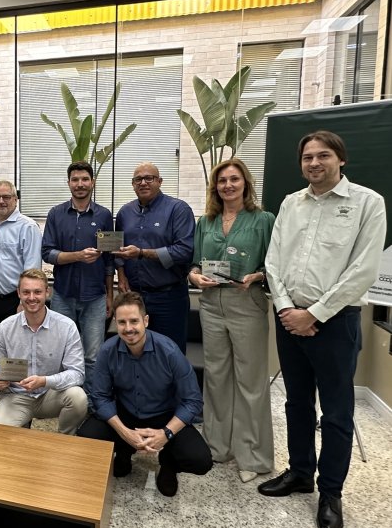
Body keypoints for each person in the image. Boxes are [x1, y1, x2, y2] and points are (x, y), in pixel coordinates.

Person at [260, 130, 386, 528]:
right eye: (307, 157)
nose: (314, 163)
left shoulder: (368, 203)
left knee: (335, 413)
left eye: (323, 155)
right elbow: (273, 260)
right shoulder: (290, 203)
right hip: (288, 318)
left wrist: (314, 313)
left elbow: (363, 269)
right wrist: (286, 308)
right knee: (296, 403)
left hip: (336, 322)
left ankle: (331, 493)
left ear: (340, 159)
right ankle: (300, 473)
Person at [188, 158, 274, 484]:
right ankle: (217, 446)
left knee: (250, 382)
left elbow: (276, 265)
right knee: (216, 377)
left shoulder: (263, 220)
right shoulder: (206, 222)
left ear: (246, 183)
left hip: (246, 303)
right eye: (222, 180)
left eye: (234, 179)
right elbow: (194, 264)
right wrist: (195, 277)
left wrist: (258, 275)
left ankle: (253, 456)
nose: (228, 185)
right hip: (211, 304)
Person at [77, 291, 212, 497]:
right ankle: (124, 451)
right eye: (122, 322)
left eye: (134, 321)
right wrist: (125, 433)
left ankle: (168, 464)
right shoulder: (107, 350)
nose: (128, 328)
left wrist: (166, 434)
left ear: (146, 321)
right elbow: (100, 397)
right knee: (87, 437)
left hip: (164, 415)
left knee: (200, 460)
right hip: (126, 413)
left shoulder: (169, 351)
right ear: (115, 323)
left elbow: (193, 400)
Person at [42, 161, 113, 406]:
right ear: (69, 183)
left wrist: (110, 295)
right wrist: (77, 256)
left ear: (92, 182)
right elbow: (47, 253)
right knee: (61, 352)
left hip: (95, 296)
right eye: (75, 180)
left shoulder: (104, 215)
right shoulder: (56, 214)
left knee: (93, 355)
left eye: (84, 179)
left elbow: (109, 259)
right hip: (63, 294)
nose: (80, 184)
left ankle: (91, 403)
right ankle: (64, 400)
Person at [0, 269, 87, 434]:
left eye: (37, 292)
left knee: (78, 397)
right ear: (18, 293)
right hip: (16, 396)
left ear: (47, 292)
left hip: (51, 394)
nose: (32, 297)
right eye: (26, 292)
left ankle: (65, 439)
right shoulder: (5, 328)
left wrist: (44, 381)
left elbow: (77, 374)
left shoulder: (66, 327)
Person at [113, 162, 195, 352]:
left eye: (149, 178)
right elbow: (117, 250)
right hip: (135, 297)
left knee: (170, 352)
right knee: (136, 351)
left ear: (160, 181)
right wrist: (121, 275)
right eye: (138, 179)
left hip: (169, 297)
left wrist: (142, 253)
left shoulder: (178, 209)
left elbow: (185, 251)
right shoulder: (124, 213)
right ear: (133, 184)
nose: (143, 183)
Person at [0, 180, 43, 341]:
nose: (1, 201)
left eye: (6, 197)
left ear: (15, 199)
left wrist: (24, 301)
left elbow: (33, 269)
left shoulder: (28, 227)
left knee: (17, 347)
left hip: (15, 301)